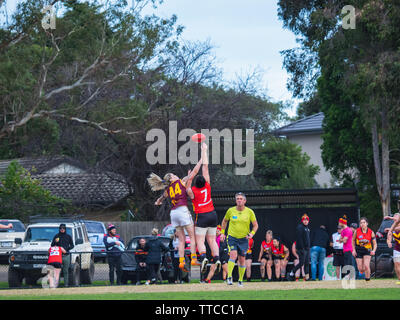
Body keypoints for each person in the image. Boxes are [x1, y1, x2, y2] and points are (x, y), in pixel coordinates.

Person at [148, 159, 203, 272]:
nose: (175, 175)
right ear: (172, 178)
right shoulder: (182, 182)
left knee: (181, 239)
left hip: (174, 214)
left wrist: (158, 201)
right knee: (192, 236)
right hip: (182, 210)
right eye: (173, 175)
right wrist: (201, 160)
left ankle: (181, 261)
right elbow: (195, 172)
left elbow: (162, 197)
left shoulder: (168, 189)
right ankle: (193, 258)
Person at [186, 143, 221, 274]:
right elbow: (205, 167)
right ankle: (217, 258)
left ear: (195, 182)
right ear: (204, 182)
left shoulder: (192, 191)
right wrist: (204, 150)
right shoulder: (207, 186)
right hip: (212, 214)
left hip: (201, 216)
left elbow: (190, 180)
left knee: (200, 240)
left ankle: (203, 257)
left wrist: (190, 176)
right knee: (212, 240)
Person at [220, 192, 259, 287]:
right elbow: (224, 221)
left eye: (241, 199)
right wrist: (222, 233)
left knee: (242, 259)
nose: (239, 200)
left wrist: (251, 234)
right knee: (233, 255)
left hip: (244, 239)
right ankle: (229, 277)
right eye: (237, 199)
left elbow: (255, 225)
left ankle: (241, 280)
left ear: (245, 201)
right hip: (232, 237)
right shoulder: (231, 210)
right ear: (235, 200)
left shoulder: (249, 212)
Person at [352, 217, 376, 282]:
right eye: (361, 223)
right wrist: (353, 250)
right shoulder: (357, 231)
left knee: (366, 265)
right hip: (358, 250)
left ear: (367, 223)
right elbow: (353, 240)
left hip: (367, 250)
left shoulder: (371, 232)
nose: (362, 224)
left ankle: (367, 279)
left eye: (364, 222)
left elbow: (375, 244)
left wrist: (373, 250)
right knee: (361, 269)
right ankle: (365, 274)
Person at [288, 214, 311, 281]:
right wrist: (302, 248)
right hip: (302, 249)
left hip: (307, 249)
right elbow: (299, 239)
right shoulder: (300, 227)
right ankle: (291, 274)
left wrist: (308, 248)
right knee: (301, 263)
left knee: (306, 263)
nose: (306, 221)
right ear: (302, 221)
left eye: (307, 220)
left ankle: (307, 278)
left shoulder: (307, 228)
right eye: (304, 220)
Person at [338, 215, 354, 279]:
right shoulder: (343, 231)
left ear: (342, 223)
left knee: (349, 263)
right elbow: (340, 240)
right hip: (345, 250)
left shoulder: (348, 230)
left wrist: (342, 239)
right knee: (346, 263)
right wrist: (342, 239)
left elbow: (344, 241)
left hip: (349, 249)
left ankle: (350, 276)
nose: (339, 224)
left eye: (339, 222)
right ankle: (348, 276)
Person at [387, 213, 400, 284]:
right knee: (397, 264)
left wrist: (390, 217)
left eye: (396, 217)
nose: (395, 219)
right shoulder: (392, 228)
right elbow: (389, 237)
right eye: (394, 217)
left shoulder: (393, 228)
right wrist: (389, 242)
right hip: (397, 248)